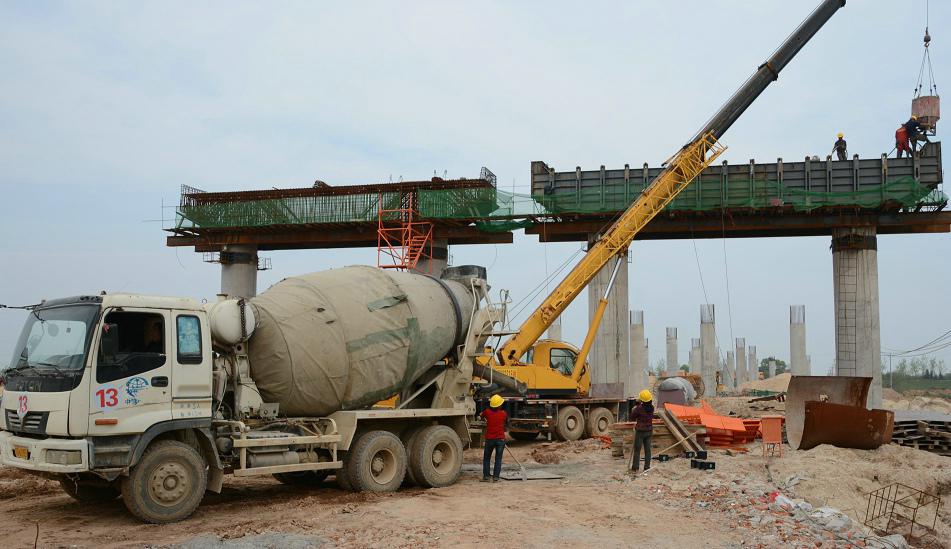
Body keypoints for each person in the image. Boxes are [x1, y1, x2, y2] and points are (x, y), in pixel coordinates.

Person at [481, 394, 508, 482]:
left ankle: (486, 477)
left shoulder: (487, 412)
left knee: (486, 458)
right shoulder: (503, 414)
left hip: (490, 439)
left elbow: (481, 416)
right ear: (499, 405)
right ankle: (496, 478)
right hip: (500, 440)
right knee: (498, 459)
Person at [630, 389, 655, 473]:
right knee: (648, 450)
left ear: (642, 400)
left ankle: (635, 467)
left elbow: (632, 417)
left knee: (637, 450)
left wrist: (635, 408)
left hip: (640, 431)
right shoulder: (652, 408)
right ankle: (647, 467)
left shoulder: (638, 409)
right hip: (649, 430)